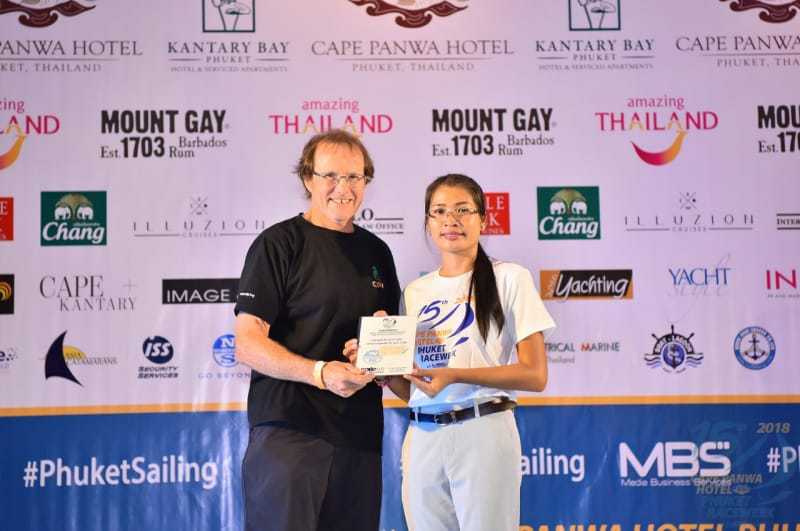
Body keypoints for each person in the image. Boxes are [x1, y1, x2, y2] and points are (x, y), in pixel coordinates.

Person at [344, 173, 554, 531]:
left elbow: (535, 375)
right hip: (423, 436)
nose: (450, 220)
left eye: (462, 210)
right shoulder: (415, 292)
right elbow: (416, 389)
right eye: (439, 211)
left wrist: (455, 374)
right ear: (428, 222)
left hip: (483, 431)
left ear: (482, 219)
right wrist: (378, 365)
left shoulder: (510, 278)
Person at [234, 129, 400, 531]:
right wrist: (320, 372)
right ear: (308, 179)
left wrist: (376, 355)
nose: (343, 188)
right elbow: (247, 343)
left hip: (360, 440)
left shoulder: (378, 252)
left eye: (354, 177)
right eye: (331, 176)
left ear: (366, 181)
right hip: (290, 433)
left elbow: (386, 352)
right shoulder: (278, 244)